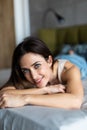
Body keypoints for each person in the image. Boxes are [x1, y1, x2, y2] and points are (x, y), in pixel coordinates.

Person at [0, 36, 83, 109]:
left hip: (77, 60)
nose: (34, 76)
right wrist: (45, 90)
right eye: (26, 70)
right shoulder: (25, 73)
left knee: (78, 51)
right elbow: (4, 92)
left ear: (49, 61)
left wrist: (24, 98)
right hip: (54, 59)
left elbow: (75, 101)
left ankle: (71, 51)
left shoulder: (69, 70)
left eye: (37, 66)